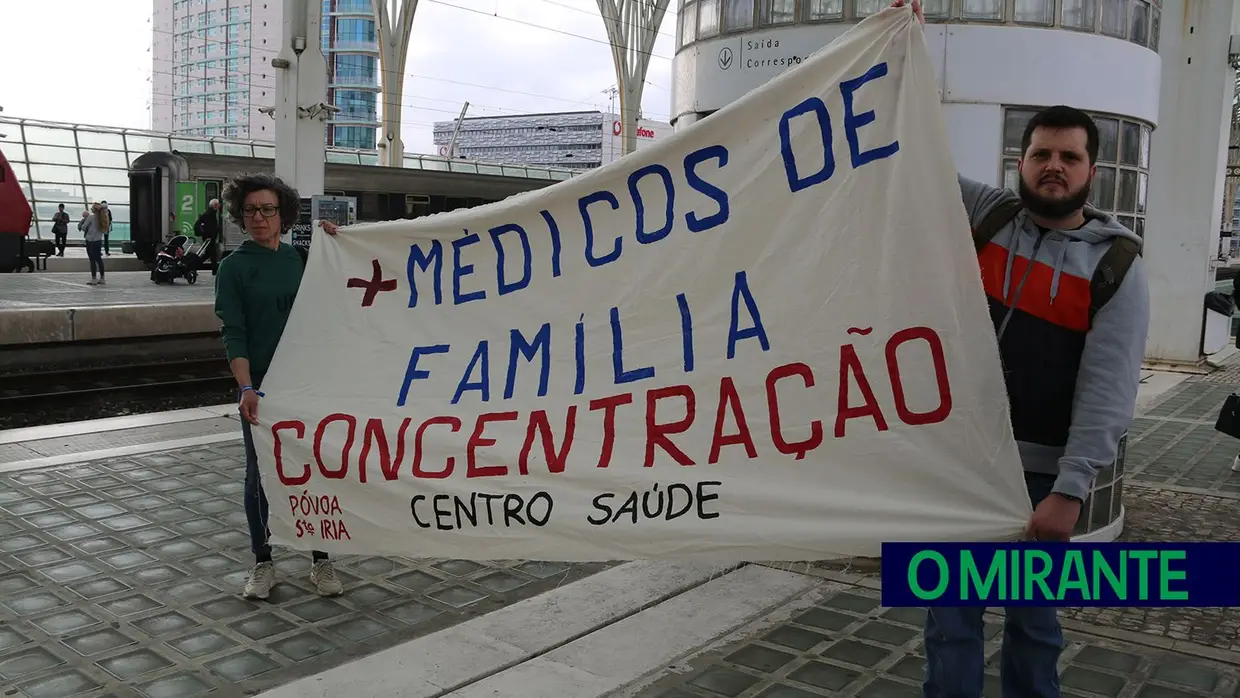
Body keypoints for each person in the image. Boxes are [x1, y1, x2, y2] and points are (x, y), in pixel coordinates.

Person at [890, 4, 1151, 698]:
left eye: (1069, 156)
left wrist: (1071, 492)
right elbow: (908, 147)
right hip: (963, 465)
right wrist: (897, 49)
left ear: (1091, 169)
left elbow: (1108, 392)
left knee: (1034, 627)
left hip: (1039, 482)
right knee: (950, 623)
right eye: (1042, 154)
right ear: (1020, 161)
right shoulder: (989, 214)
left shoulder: (1116, 265)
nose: (1054, 167)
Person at [214, 172, 342, 600]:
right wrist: (246, 387)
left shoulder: (302, 259)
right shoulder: (233, 268)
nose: (259, 217)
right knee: (260, 476)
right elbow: (235, 332)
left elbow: (340, 293)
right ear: (240, 215)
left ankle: (321, 561)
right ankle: (263, 562)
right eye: (250, 210)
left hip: (309, 382)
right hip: (264, 386)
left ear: (283, 214)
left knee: (314, 470)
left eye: (268, 209)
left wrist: (336, 245)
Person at [81, 202, 109, 285]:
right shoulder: (103, 218)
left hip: (90, 240)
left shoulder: (91, 217)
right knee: (98, 259)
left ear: (94, 210)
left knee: (92, 259)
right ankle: (102, 278)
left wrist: (82, 223)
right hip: (98, 240)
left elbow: (83, 227)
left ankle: (94, 278)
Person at [195, 198, 223, 274]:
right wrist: (208, 235)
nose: (220, 205)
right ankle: (194, 265)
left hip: (210, 237)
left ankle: (194, 265)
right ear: (215, 205)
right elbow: (209, 226)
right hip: (209, 238)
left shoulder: (211, 213)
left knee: (209, 254)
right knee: (212, 254)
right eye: (218, 204)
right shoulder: (210, 214)